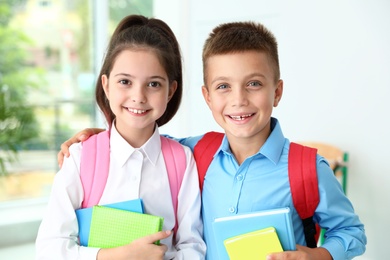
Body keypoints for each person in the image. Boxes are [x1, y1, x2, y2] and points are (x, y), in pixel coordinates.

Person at [58, 21, 367, 260]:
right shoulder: (194, 152)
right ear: (206, 96)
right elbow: (141, 140)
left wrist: (322, 254)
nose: (239, 100)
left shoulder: (308, 168)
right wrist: (97, 137)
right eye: (223, 86)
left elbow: (351, 231)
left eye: (254, 84)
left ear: (277, 91)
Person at [36, 14, 206, 260]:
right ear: (106, 85)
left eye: (154, 84)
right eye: (125, 81)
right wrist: (113, 256)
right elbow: (50, 247)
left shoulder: (182, 159)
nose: (138, 96)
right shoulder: (81, 157)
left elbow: (192, 246)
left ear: (171, 90)